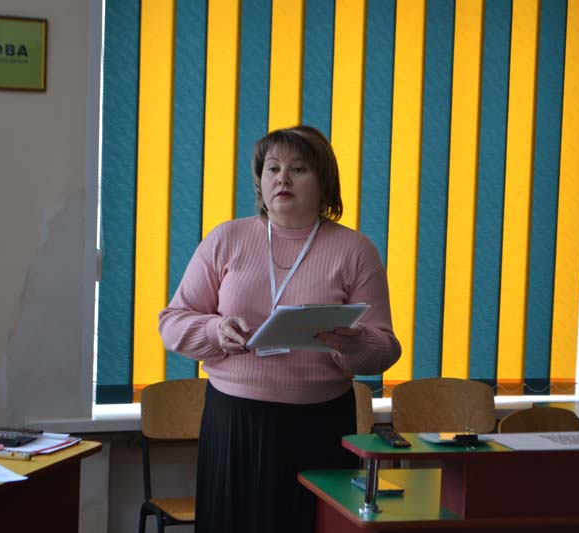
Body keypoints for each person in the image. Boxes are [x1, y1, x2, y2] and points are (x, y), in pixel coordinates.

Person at [158, 125, 401, 533]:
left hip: (319, 423)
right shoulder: (227, 238)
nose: (282, 178)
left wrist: (354, 342)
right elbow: (172, 323)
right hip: (235, 421)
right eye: (272, 169)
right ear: (260, 181)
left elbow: (385, 349)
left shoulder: (355, 250)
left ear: (324, 184)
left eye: (298, 169)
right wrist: (216, 331)